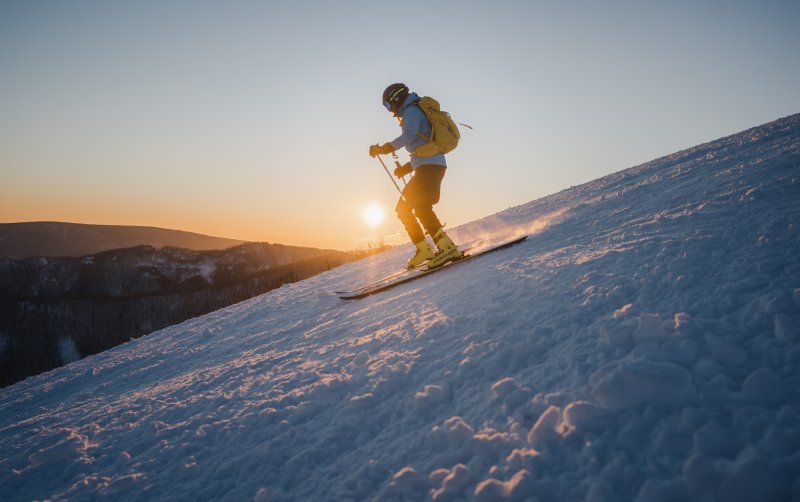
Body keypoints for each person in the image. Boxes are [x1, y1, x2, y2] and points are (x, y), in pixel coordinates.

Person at [369, 83, 461, 269]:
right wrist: (408, 167)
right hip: (429, 166)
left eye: (388, 105)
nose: (389, 110)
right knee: (417, 207)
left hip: (429, 167)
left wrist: (385, 148)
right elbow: (423, 144)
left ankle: (442, 248)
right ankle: (433, 248)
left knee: (409, 208)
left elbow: (408, 136)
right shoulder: (413, 110)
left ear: (396, 99)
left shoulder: (412, 111)